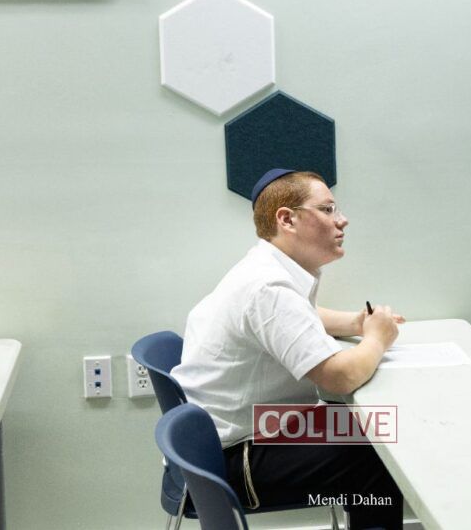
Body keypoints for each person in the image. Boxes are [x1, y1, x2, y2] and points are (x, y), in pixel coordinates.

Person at [172, 169, 405, 529]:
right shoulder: (269, 287)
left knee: (373, 427)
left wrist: (357, 323)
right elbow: (340, 377)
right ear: (287, 219)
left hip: (230, 441)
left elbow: (300, 316)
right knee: (379, 454)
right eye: (327, 209)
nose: (342, 220)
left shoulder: (263, 269)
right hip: (238, 459)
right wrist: (377, 339)